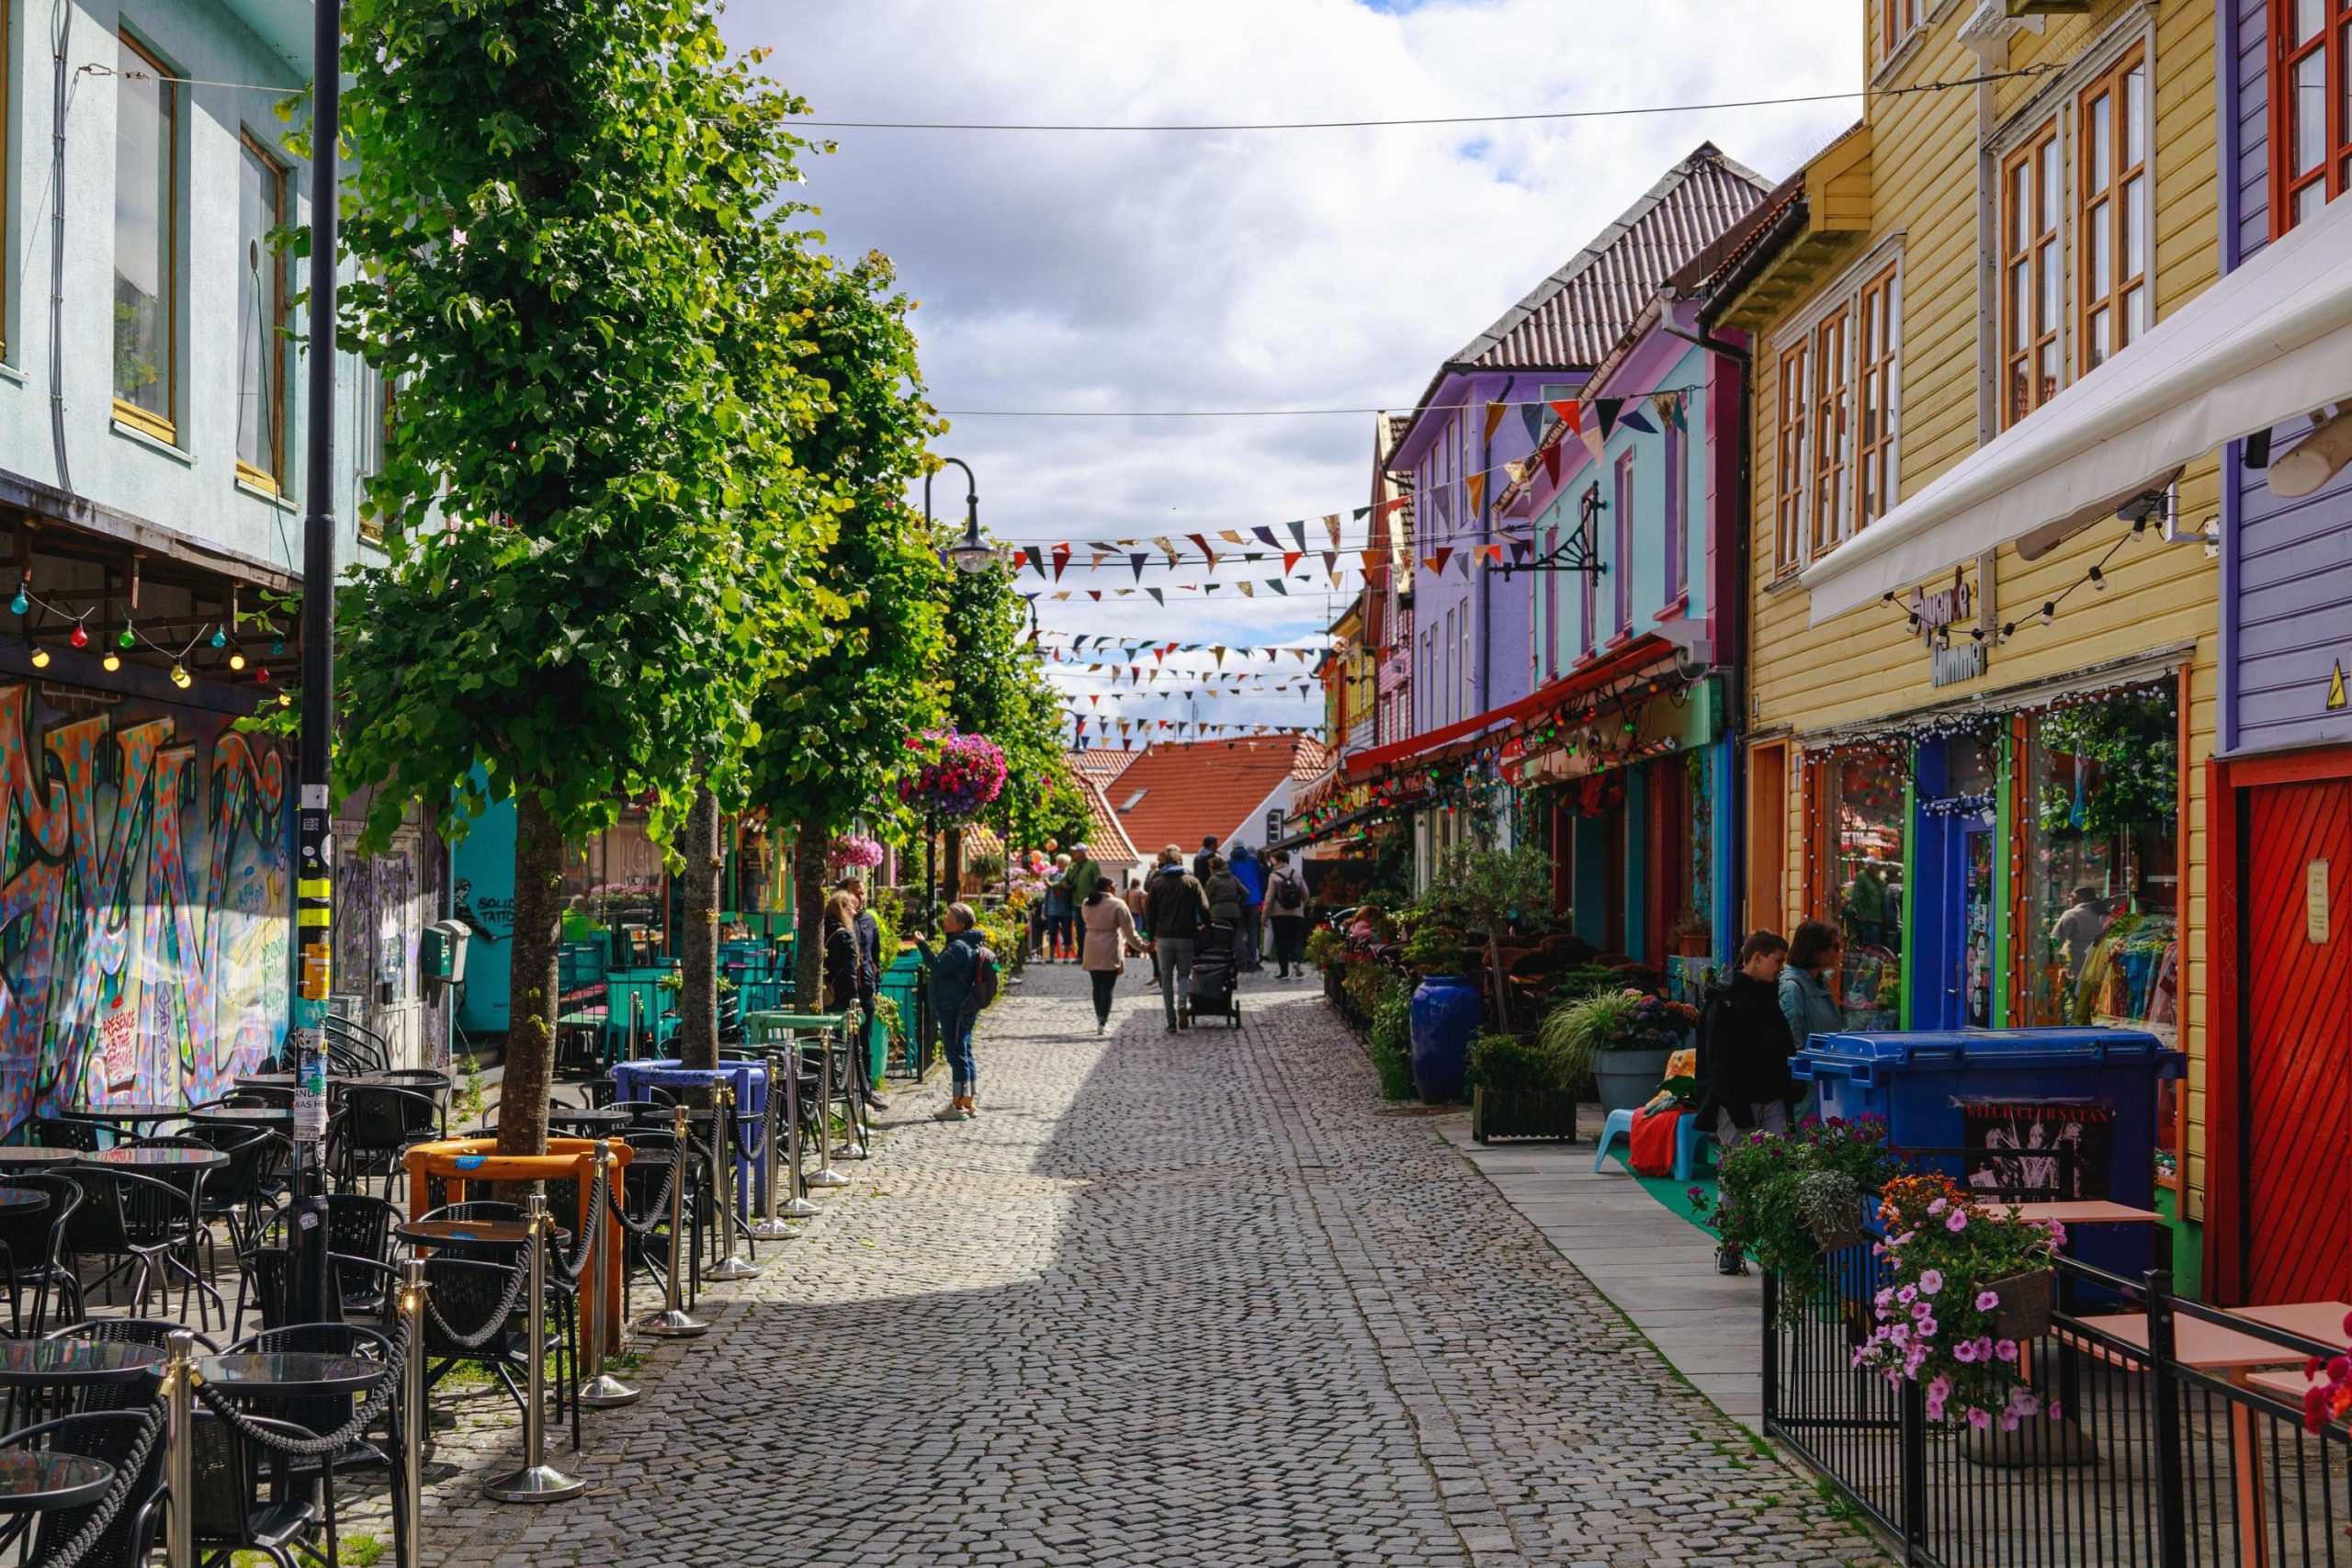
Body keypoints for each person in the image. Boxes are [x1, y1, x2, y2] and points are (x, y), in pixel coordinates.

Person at [1695, 931, 1797, 1274]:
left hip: (1773, 1098)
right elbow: (1718, 1060)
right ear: (1756, 957)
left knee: (1778, 1174)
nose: (1780, 968)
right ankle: (1732, 1247)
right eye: (1777, 961)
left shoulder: (1768, 995)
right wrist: (1736, 1109)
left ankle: (1775, 1247)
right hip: (1739, 1101)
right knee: (1736, 1177)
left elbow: (1782, 1045)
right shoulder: (1724, 999)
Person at [924, 902, 987, 1121]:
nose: (945, 922)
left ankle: (958, 1105)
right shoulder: (970, 943)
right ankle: (968, 1102)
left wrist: (922, 944)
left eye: (949, 920)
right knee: (965, 1052)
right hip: (964, 1004)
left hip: (952, 1005)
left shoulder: (959, 946)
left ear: (960, 925)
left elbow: (937, 966)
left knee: (957, 1054)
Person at [836, 876, 889, 1111]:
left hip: (866, 988)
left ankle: (867, 1092)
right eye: (855, 893)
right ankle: (843, 1091)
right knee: (843, 1043)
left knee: (864, 1043)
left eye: (862, 893)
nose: (860, 897)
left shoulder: (868, 921)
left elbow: (874, 956)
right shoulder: (838, 921)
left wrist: (875, 983)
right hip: (843, 992)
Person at [1144, 846, 1208, 1032]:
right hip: (1186, 935)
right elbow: (1204, 907)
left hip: (1163, 936)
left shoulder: (1157, 883)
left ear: (1166, 864)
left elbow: (1150, 912)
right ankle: (1182, 1004)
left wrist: (1151, 933)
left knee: (1165, 976)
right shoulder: (1192, 882)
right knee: (1183, 974)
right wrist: (1207, 924)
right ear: (1181, 863)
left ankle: (1170, 1020)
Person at [1079, 875, 1146, 1035]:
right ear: (1109, 887)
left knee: (1097, 986)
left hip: (1091, 944)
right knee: (1108, 987)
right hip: (1109, 945)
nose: (1116, 887)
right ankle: (1103, 1021)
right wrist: (1142, 946)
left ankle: (1099, 1018)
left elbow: (1085, 919)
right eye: (1115, 885)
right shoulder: (1117, 904)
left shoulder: (1087, 902)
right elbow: (1129, 931)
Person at [1779, 919, 1844, 1050]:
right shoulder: (1792, 988)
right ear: (1818, 952)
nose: (1839, 952)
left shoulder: (1819, 982)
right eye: (1835, 947)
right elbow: (1792, 1044)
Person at [1265, 850, 1310, 979]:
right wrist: (1299, 906)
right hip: (1296, 914)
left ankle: (1284, 972)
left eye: (1272, 859)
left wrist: (1264, 917)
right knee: (1295, 939)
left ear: (1279, 861)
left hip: (1278, 914)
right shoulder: (1296, 873)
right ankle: (1296, 960)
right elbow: (1305, 894)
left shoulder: (1274, 876)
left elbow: (1269, 898)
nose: (1271, 861)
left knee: (1281, 942)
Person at [2052, 886, 2109, 987]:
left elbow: (2056, 939)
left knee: (2078, 997)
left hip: (2078, 964)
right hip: (2101, 963)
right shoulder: (2104, 913)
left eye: (2072, 896)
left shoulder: (2071, 914)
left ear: (2081, 898)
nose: (2069, 898)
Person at [820, 889, 861, 1014]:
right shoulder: (845, 935)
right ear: (841, 910)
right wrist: (854, 999)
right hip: (838, 995)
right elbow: (850, 971)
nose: (854, 913)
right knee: (843, 1032)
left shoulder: (820, 929)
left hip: (821, 991)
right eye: (850, 909)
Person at [1229, 844, 1266, 972]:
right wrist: (1260, 896)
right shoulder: (1253, 862)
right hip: (1255, 899)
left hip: (1239, 901)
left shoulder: (1230, 863)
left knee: (1239, 932)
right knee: (1253, 932)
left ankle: (1242, 961)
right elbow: (1261, 880)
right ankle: (1253, 961)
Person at [1043, 853, 1075, 962]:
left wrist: (1068, 887)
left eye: (1062, 862)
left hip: (1066, 910)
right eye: (1058, 862)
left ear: (1067, 864)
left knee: (1067, 933)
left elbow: (1073, 890)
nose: (1060, 864)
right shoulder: (1052, 876)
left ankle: (1066, 956)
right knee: (1052, 932)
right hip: (1052, 910)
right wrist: (1045, 909)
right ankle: (1051, 956)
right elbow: (1047, 894)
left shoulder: (1069, 877)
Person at [1204, 855, 1247, 927]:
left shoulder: (1213, 880)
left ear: (1214, 868)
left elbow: (1206, 898)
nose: (1208, 869)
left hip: (1218, 913)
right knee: (1232, 936)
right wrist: (1237, 903)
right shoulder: (1233, 878)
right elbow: (1246, 893)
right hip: (1234, 912)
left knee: (1220, 936)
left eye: (1210, 867)